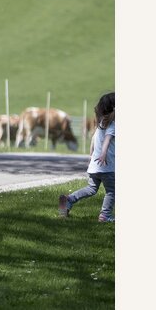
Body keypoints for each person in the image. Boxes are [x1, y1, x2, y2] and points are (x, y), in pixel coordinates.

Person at [59, 92, 115, 221]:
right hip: (107, 166)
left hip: (94, 166)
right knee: (111, 191)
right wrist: (103, 153)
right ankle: (105, 215)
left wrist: (91, 156)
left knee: (91, 189)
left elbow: (94, 140)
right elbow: (107, 139)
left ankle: (68, 200)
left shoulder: (100, 125)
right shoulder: (112, 125)